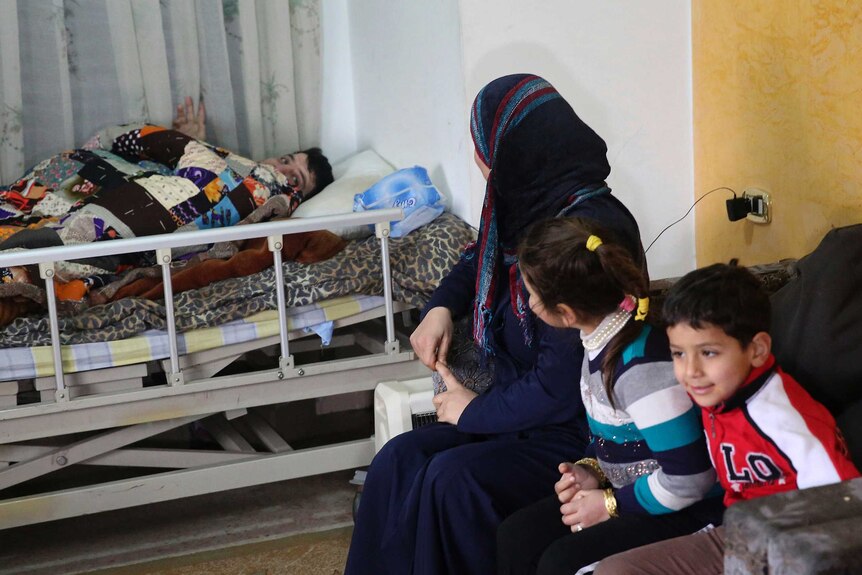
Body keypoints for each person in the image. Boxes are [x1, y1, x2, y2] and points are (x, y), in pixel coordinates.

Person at [344, 73, 647, 575]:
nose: (483, 163)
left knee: (452, 479)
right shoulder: (531, 204)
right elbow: (477, 259)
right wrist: (440, 307)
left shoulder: (581, 230)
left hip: (576, 429)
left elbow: (560, 387)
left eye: (486, 149)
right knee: (397, 460)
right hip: (517, 410)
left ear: (517, 148)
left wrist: (471, 413)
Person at [592, 262, 861, 575]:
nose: (690, 371)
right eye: (678, 353)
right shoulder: (718, 392)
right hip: (740, 530)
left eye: (708, 353)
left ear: (757, 350)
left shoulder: (779, 419)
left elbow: (847, 508)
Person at [496, 219, 722, 575]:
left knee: (560, 561)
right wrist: (591, 471)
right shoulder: (600, 339)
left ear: (566, 313)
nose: (528, 302)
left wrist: (610, 504)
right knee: (517, 535)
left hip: (686, 508)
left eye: (532, 295)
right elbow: (619, 437)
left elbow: (690, 479)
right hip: (637, 494)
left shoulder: (643, 370)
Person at [171, 96, 333, 199]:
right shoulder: (224, 165)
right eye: (284, 160)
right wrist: (189, 143)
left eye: (295, 179)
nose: (279, 169)